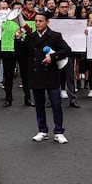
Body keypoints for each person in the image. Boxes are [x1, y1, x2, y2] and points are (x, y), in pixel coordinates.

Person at [19, 12, 70, 144]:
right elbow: (21, 53)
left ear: (47, 22)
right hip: (36, 74)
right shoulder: (31, 37)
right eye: (36, 21)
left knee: (56, 104)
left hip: (51, 74)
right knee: (39, 105)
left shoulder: (55, 36)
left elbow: (67, 50)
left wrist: (52, 57)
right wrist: (18, 39)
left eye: (40, 21)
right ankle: (42, 130)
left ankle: (59, 131)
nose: (37, 23)